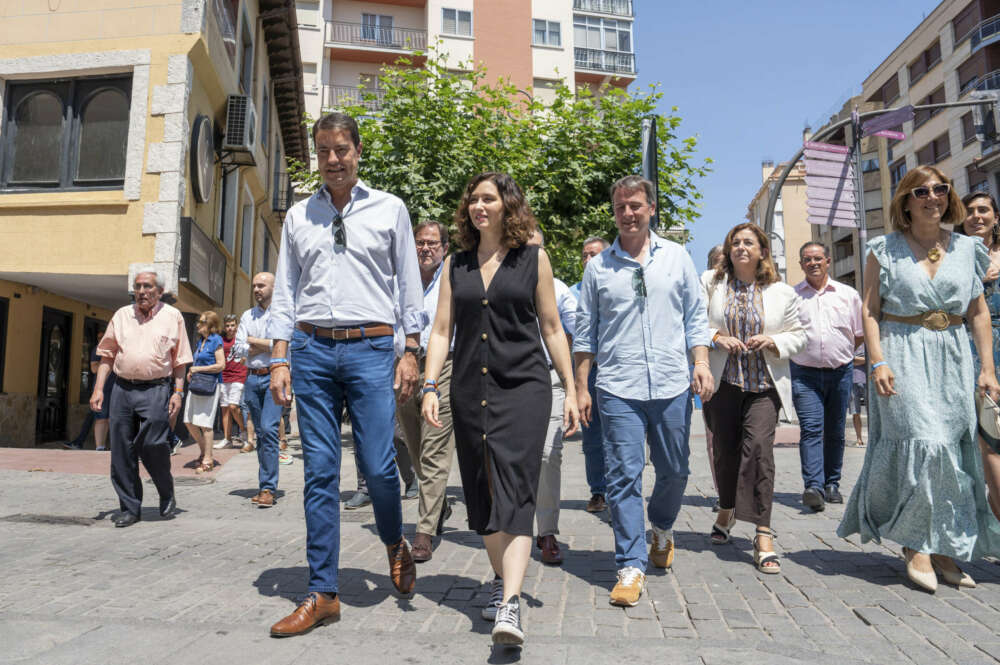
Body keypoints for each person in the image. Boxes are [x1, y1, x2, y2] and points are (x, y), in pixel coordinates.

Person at [268, 112, 426, 637]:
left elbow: (408, 283)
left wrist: (410, 349)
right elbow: (286, 291)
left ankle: (392, 539)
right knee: (319, 472)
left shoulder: (390, 209)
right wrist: (280, 356)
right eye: (324, 151)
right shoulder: (297, 216)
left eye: (341, 149)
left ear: (358, 151)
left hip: (373, 347)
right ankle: (323, 592)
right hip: (312, 350)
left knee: (380, 468)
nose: (332, 160)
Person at [422, 172, 579, 646]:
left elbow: (552, 328)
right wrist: (430, 384)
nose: (479, 206)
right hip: (469, 390)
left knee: (516, 492)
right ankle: (499, 578)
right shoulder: (457, 264)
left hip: (525, 389)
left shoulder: (535, 259)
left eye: (488, 199)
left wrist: (570, 388)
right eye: (473, 199)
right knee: (482, 494)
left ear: (508, 205)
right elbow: (442, 330)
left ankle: (509, 605)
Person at [838, 165, 1000, 593]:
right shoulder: (883, 248)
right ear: (906, 200)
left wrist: (987, 368)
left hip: (951, 355)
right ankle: (917, 544)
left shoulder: (967, 249)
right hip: (902, 351)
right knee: (922, 442)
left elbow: (978, 312)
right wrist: (877, 362)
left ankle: (943, 544)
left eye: (941, 189)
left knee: (949, 448)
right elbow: (870, 310)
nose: (934, 197)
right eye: (923, 191)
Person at [574, 175, 712, 607]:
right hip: (617, 385)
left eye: (635, 205)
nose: (628, 213)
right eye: (620, 207)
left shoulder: (676, 258)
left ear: (651, 208)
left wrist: (702, 363)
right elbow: (584, 333)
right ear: (613, 212)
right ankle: (630, 564)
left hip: (672, 381)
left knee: (675, 470)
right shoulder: (598, 267)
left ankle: (663, 528)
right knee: (622, 478)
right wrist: (582, 387)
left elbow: (695, 315)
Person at [702, 223, 805, 575]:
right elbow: (692, 322)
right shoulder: (711, 283)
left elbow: (799, 335)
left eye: (749, 242)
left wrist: (774, 342)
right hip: (723, 382)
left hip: (763, 385)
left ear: (762, 250)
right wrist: (717, 336)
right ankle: (727, 509)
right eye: (736, 243)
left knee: (759, 450)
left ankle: (763, 532)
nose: (741, 248)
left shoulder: (781, 292)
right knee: (725, 453)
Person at [92, 270, 192, 527]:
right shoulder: (122, 316)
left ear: (159, 292)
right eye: (137, 287)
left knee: (152, 444)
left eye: (147, 287)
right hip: (122, 389)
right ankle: (130, 507)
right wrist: (99, 389)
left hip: (156, 389)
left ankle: (165, 490)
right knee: (121, 451)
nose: (142, 291)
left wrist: (178, 394)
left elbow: (180, 361)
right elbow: (107, 355)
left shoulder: (173, 317)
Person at [395, 220, 456, 562]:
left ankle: (424, 531)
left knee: (435, 450)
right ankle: (440, 504)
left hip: (443, 368)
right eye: (420, 242)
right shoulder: (398, 280)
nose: (426, 248)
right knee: (414, 446)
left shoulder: (453, 279)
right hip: (403, 369)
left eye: (433, 243)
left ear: (444, 248)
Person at [789, 242, 863, 512]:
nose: (813, 263)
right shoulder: (793, 296)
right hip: (804, 373)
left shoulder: (848, 294)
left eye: (818, 258)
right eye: (807, 259)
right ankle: (813, 486)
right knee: (811, 429)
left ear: (828, 261)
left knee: (835, 431)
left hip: (841, 371)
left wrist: (841, 353)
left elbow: (858, 332)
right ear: (801, 265)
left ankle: (832, 483)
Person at [526, 227, 577, 564]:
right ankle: (512, 528)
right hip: (508, 381)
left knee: (547, 455)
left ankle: (547, 531)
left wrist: (572, 386)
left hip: (549, 376)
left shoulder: (559, 291)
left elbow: (570, 333)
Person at [956, 191, 1000, 521]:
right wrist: (977, 282)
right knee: (991, 444)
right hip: (972, 355)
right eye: (969, 211)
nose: (977, 216)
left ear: (995, 217)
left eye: (984, 210)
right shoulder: (953, 260)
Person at [235, 273, 286, 506]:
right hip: (252, 380)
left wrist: (254, 342)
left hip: (273, 377)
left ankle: (268, 487)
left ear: (274, 288)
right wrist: (264, 344)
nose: (256, 289)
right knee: (260, 434)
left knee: (267, 429)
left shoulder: (282, 314)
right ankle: (265, 483)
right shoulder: (247, 315)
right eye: (254, 285)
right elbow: (238, 350)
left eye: (261, 285)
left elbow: (285, 344)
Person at [569, 236, 609, 514]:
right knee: (592, 435)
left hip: (618, 369)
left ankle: (621, 488)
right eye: (584, 255)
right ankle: (598, 491)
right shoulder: (572, 293)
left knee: (620, 433)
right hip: (588, 372)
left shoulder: (618, 287)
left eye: (594, 254)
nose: (588, 260)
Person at [184, 311, 225, 473]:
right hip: (196, 384)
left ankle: (208, 458)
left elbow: (221, 365)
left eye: (201, 322)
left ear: (210, 325)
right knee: (188, 420)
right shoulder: (201, 340)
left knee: (206, 423)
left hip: (210, 385)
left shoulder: (216, 340)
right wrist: (191, 372)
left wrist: (198, 368)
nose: (198, 324)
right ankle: (203, 450)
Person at [64, 330, 115, 451]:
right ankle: (98, 447)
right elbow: (93, 368)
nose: (101, 338)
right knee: (100, 418)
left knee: (108, 418)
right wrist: (109, 364)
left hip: (117, 388)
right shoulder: (98, 349)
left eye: (102, 336)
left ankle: (79, 442)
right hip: (103, 389)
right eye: (99, 337)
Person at [702, 244, 725, 510]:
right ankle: (723, 492)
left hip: (742, 373)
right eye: (718, 262)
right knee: (714, 439)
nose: (722, 268)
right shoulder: (702, 289)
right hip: (711, 372)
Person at [215, 314, 248, 450]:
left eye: (232, 325)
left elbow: (247, 353)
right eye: (227, 325)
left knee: (234, 406)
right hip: (224, 377)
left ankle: (243, 432)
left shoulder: (241, 339)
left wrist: (245, 361)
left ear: (237, 326)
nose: (230, 328)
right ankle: (227, 439)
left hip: (239, 376)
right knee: (225, 409)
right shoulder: (221, 340)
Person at [847, 346, 866, 448]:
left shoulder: (866, 340)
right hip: (851, 381)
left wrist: (854, 359)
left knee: (872, 413)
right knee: (855, 412)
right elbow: (846, 359)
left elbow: (871, 358)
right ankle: (859, 439)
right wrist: (862, 359)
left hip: (868, 379)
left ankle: (872, 438)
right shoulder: (849, 340)